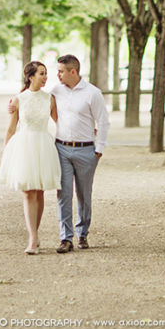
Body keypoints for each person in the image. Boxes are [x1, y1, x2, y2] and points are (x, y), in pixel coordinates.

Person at [0, 61, 61, 254]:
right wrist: (6, 152)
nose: (45, 77)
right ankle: (32, 238)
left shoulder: (49, 98)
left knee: (39, 191)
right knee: (28, 192)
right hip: (23, 146)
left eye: (46, 73)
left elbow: (60, 122)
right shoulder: (18, 99)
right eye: (41, 73)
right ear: (31, 76)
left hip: (43, 144)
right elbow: (11, 128)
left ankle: (35, 233)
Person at [51, 54, 110, 253]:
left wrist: (98, 150)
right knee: (63, 194)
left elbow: (103, 121)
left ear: (73, 71)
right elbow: (37, 101)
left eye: (60, 71)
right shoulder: (56, 90)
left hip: (86, 150)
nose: (57, 75)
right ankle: (65, 238)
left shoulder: (93, 93)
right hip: (61, 149)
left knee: (84, 195)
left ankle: (82, 233)